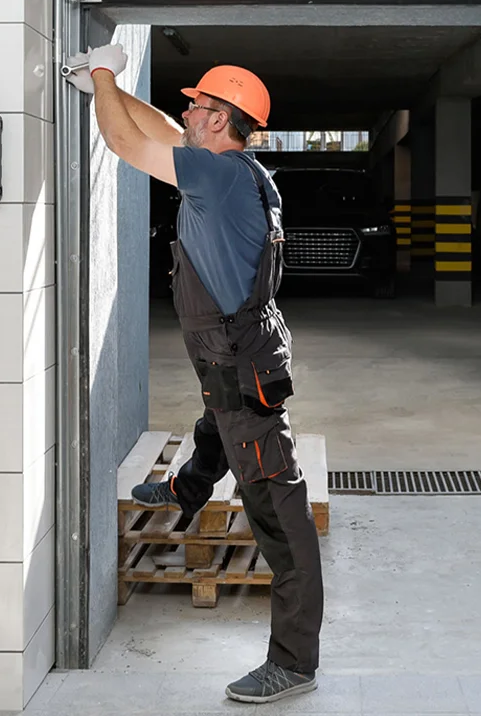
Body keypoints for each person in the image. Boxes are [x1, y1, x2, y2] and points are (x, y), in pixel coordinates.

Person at [64, 44, 323, 705]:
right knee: (216, 428)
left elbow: (126, 144)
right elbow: (159, 130)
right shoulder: (231, 170)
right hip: (237, 355)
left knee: (279, 515)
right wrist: (107, 88)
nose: (186, 113)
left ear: (218, 119)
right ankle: (188, 490)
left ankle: (293, 662)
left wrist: (103, 79)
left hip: (241, 366)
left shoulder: (219, 178)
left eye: (196, 106)